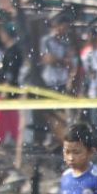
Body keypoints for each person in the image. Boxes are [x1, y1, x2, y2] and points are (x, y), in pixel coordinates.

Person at [38, 13, 76, 146]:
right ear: (56, 26)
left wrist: (61, 61)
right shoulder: (47, 40)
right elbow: (48, 59)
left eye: (66, 28)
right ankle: (50, 136)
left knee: (61, 112)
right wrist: (62, 61)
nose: (64, 30)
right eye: (63, 27)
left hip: (62, 81)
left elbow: (70, 62)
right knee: (49, 111)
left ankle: (59, 137)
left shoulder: (66, 42)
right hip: (49, 81)